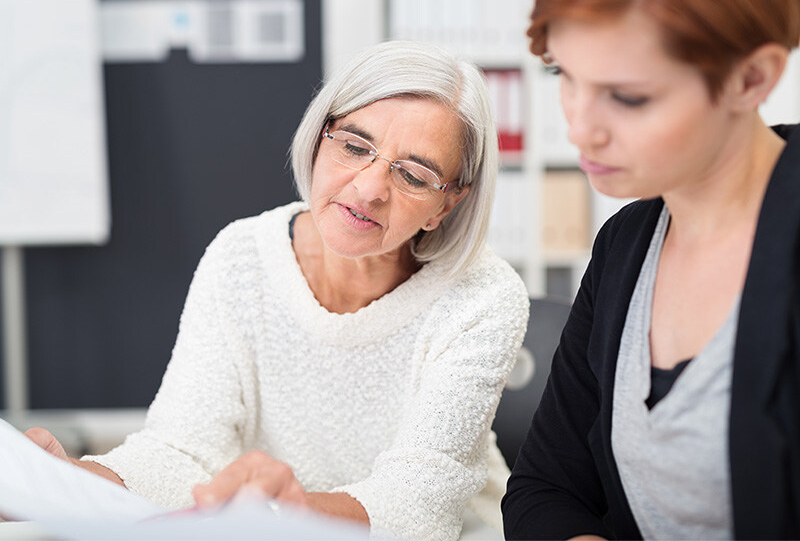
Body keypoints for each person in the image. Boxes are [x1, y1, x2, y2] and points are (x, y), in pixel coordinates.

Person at [26, 40, 530, 541]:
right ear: (319, 138)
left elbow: (418, 507)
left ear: (446, 206)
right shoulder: (241, 255)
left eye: (413, 176)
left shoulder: (484, 297)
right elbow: (181, 452)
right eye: (355, 147)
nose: (369, 188)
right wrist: (63, 482)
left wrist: (280, 513)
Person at [502, 0, 800, 539]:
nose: (579, 128)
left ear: (751, 78)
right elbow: (545, 488)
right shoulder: (626, 244)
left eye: (628, 96)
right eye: (565, 75)